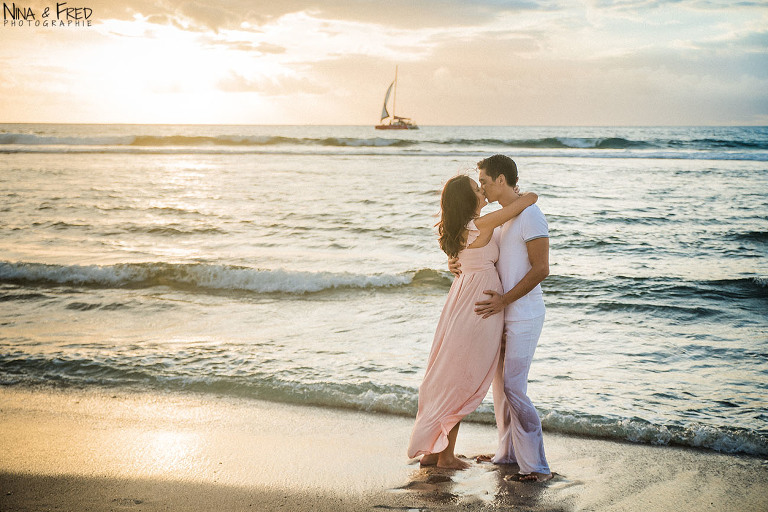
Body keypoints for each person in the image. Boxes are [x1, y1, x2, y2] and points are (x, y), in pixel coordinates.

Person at [407, 174, 537, 469]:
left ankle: (434, 450)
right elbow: (529, 200)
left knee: (450, 376)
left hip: (462, 303)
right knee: (460, 379)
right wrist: (519, 193)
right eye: (478, 190)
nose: (483, 193)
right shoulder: (481, 224)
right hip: (476, 309)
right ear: (467, 200)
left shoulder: (457, 229)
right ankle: (446, 457)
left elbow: (464, 258)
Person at [452, 154, 553, 482]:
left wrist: (505, 300)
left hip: (524, 314)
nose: (481, 188)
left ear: (500, 179)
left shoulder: (531, 215)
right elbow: (485, 257)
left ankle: (536, 466)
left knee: (514, 387)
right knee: (500, 389)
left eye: (483, 181)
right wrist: (456, 264)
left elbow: (541, 269)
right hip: (499, 315)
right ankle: (507, 454)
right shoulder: (500, 219)